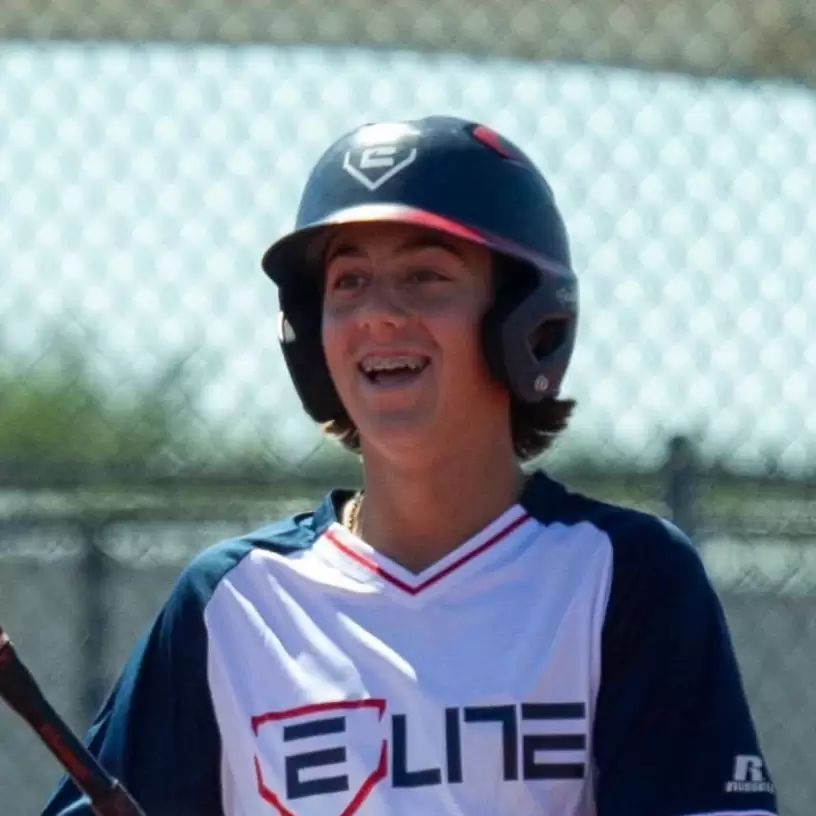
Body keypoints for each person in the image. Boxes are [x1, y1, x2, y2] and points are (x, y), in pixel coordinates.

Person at [43, 115, 778, 816]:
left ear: (527, 320)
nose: (378, 313)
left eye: (425, 275)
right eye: (348, 282)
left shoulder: (620, 577)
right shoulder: (235, 604)